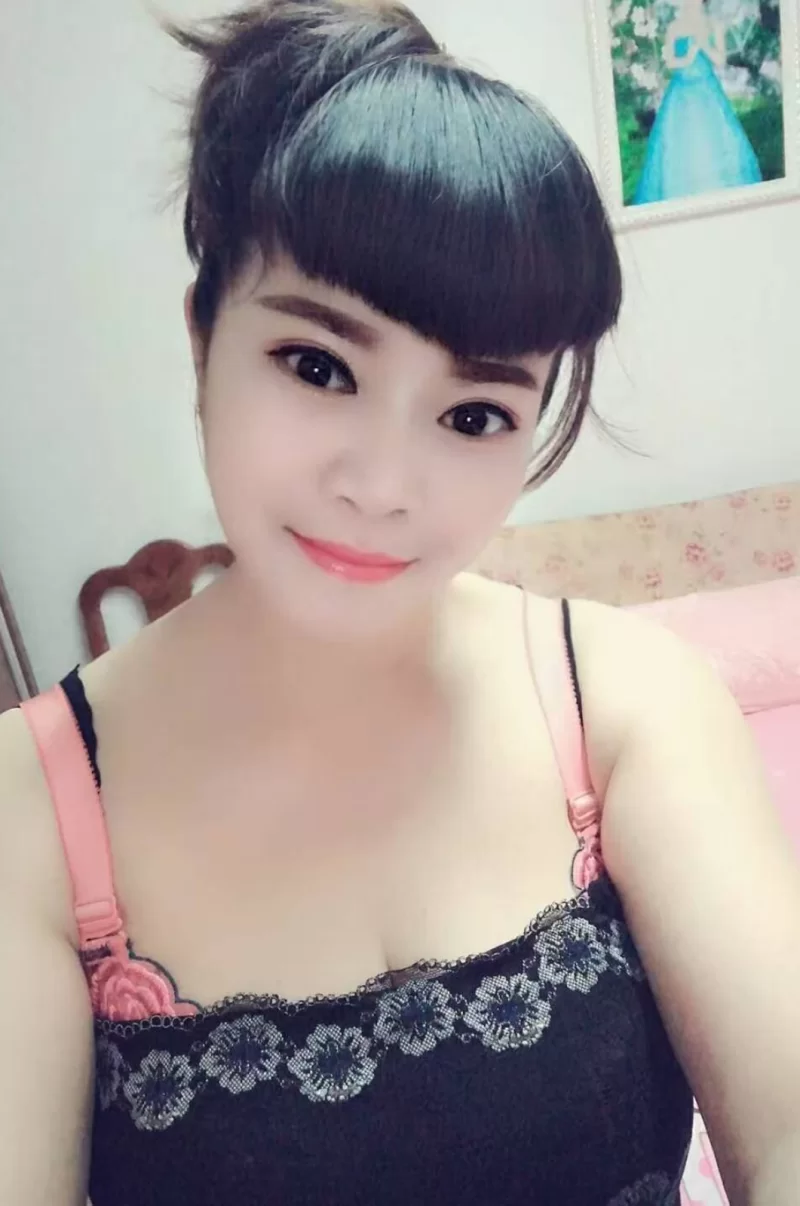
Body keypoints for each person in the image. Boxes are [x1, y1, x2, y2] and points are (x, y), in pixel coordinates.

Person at [1, 2, 799, 1203]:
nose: (380, 486)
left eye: (472, 414)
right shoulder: (30, 810)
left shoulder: (629, 704)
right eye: (318, 366)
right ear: (202, 339)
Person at [634, 0, 763, 204]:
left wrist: (704, 45)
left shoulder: (713, 24)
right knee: (678, 142)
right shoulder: (675, 27)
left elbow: (720, 60)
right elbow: (671, 62)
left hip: (706, 90)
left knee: (712, 138)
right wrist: (688, 57)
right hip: (680, 93)